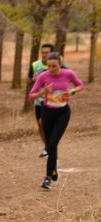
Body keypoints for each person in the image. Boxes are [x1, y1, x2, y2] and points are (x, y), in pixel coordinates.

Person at [29, 52, 83, 190]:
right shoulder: (43, 76)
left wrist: (72, 91)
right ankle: (53, 170)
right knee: (50, 145)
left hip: (63, 113)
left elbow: (80, 85)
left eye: (54, 66)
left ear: (60, 64)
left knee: (52, 143)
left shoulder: (68, 74)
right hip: (47, 112)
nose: (51, 69)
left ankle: (47, 178)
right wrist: (43, 92)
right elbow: (31, 96)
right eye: (49, 66)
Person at [28, 43, 54, 158]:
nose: (44, 55)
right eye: (43, 52)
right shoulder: (35, 65)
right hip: (39, 100)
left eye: (47, 53)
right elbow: (28, 80)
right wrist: (33, 80)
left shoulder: (56, 65)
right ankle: (47, 147)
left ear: (52, 53)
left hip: (53, 100)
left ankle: (50, 146)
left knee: (45, 123)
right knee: (40, 125)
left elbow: (65, 75)